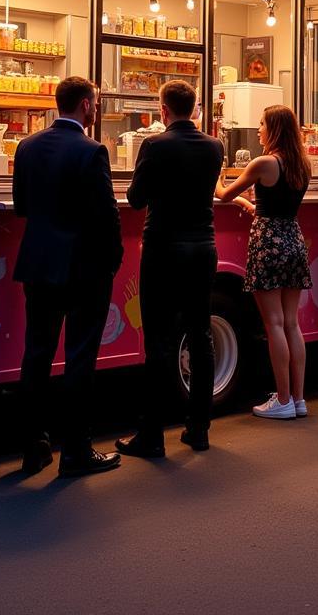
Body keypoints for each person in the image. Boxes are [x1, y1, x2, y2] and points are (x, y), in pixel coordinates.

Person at [13, 76, 123, 478]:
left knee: (36, 355)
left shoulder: (27, 146)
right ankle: (75, 451)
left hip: (38, 264)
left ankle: (34, 446)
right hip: (83, 267)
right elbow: (106, 212)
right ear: (86, 105)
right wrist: (114, 258)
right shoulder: (93, 151)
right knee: (79, 358)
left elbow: (22, 206)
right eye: (94, 102)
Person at [117, 80, 225, 457]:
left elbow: (134, 199)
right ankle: (199, 429)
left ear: (163, 110)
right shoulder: (215, 147)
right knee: (201, 335)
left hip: (163, 249)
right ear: (194, 109)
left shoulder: (154, 145)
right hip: (203, 249)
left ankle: (152, 435)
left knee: (158, 342)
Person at [217, 105, 312, 419]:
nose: (258, 129)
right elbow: (272, 203)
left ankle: (282, 399)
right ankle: (298, 398)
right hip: (293, 239)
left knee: (272, 324)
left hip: (268, 243)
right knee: (291, 323)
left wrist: (216, 171)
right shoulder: (302, 165)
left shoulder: (263, 163)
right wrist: (250, 204)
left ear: (274, 129)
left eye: (261, 124)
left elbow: (224, 194)